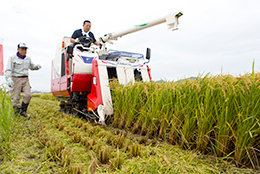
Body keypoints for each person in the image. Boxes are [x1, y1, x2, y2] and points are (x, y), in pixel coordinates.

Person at [5, 43, 41, 117]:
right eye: (22, 49)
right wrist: (9, 79)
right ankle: (17, 114)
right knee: (15, 98)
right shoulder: (12, 58)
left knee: (28, 95)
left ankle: (23, 111)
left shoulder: (28, 59)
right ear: (18, 49)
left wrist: (36, 67)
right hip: (15, 79)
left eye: (25, 49)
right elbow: (8, 70)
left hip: (25, 79)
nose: (24, 51)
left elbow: (32, 66)